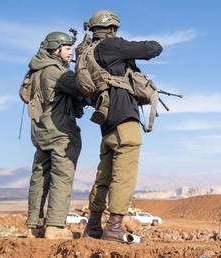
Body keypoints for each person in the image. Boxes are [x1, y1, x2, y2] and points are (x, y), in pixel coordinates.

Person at [82, 10, 162, 242]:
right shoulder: (112, 47)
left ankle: (93, 226)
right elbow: (152, 48)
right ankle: (114, 227)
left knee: (104, 176)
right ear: (112, 28)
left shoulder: (87, 54)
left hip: (106, 124)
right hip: (124, 118)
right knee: (124, 174)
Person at [25, 31, 83, 239]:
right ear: (56, 49)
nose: (70, 53)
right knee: (62, 176)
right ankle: (55, 226)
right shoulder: (57, 72)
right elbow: (82, 87)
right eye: (67, 49)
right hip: (59, 132)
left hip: (41, 132)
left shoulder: (36, 70)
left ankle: (34, 226)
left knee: (39, 178)